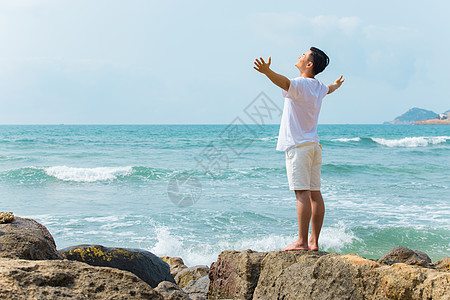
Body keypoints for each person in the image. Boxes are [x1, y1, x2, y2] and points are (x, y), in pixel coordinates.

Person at [253, 47, 344, 251]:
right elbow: (329, 88)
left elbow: (284, 82)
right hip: (313, 146)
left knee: (302, 194)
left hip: (299, 147)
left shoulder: (300, 84)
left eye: (303, 55)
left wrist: (268, 72)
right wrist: (336, 85)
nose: (300, 56)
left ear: (309, 64)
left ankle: (302, 241)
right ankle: (314, 241)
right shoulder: (319, 87)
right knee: (315, 194)